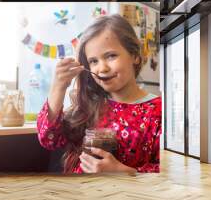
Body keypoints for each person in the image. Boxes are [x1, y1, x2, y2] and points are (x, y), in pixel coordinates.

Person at [37, 14, 161, 174]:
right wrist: (58, 87)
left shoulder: (158, 111)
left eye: (111, 56)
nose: (102, 68)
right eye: (93, 61)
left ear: (135, 56)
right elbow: (48, 139)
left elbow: (168, 173)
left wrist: (125, 172)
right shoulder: (89, 104)